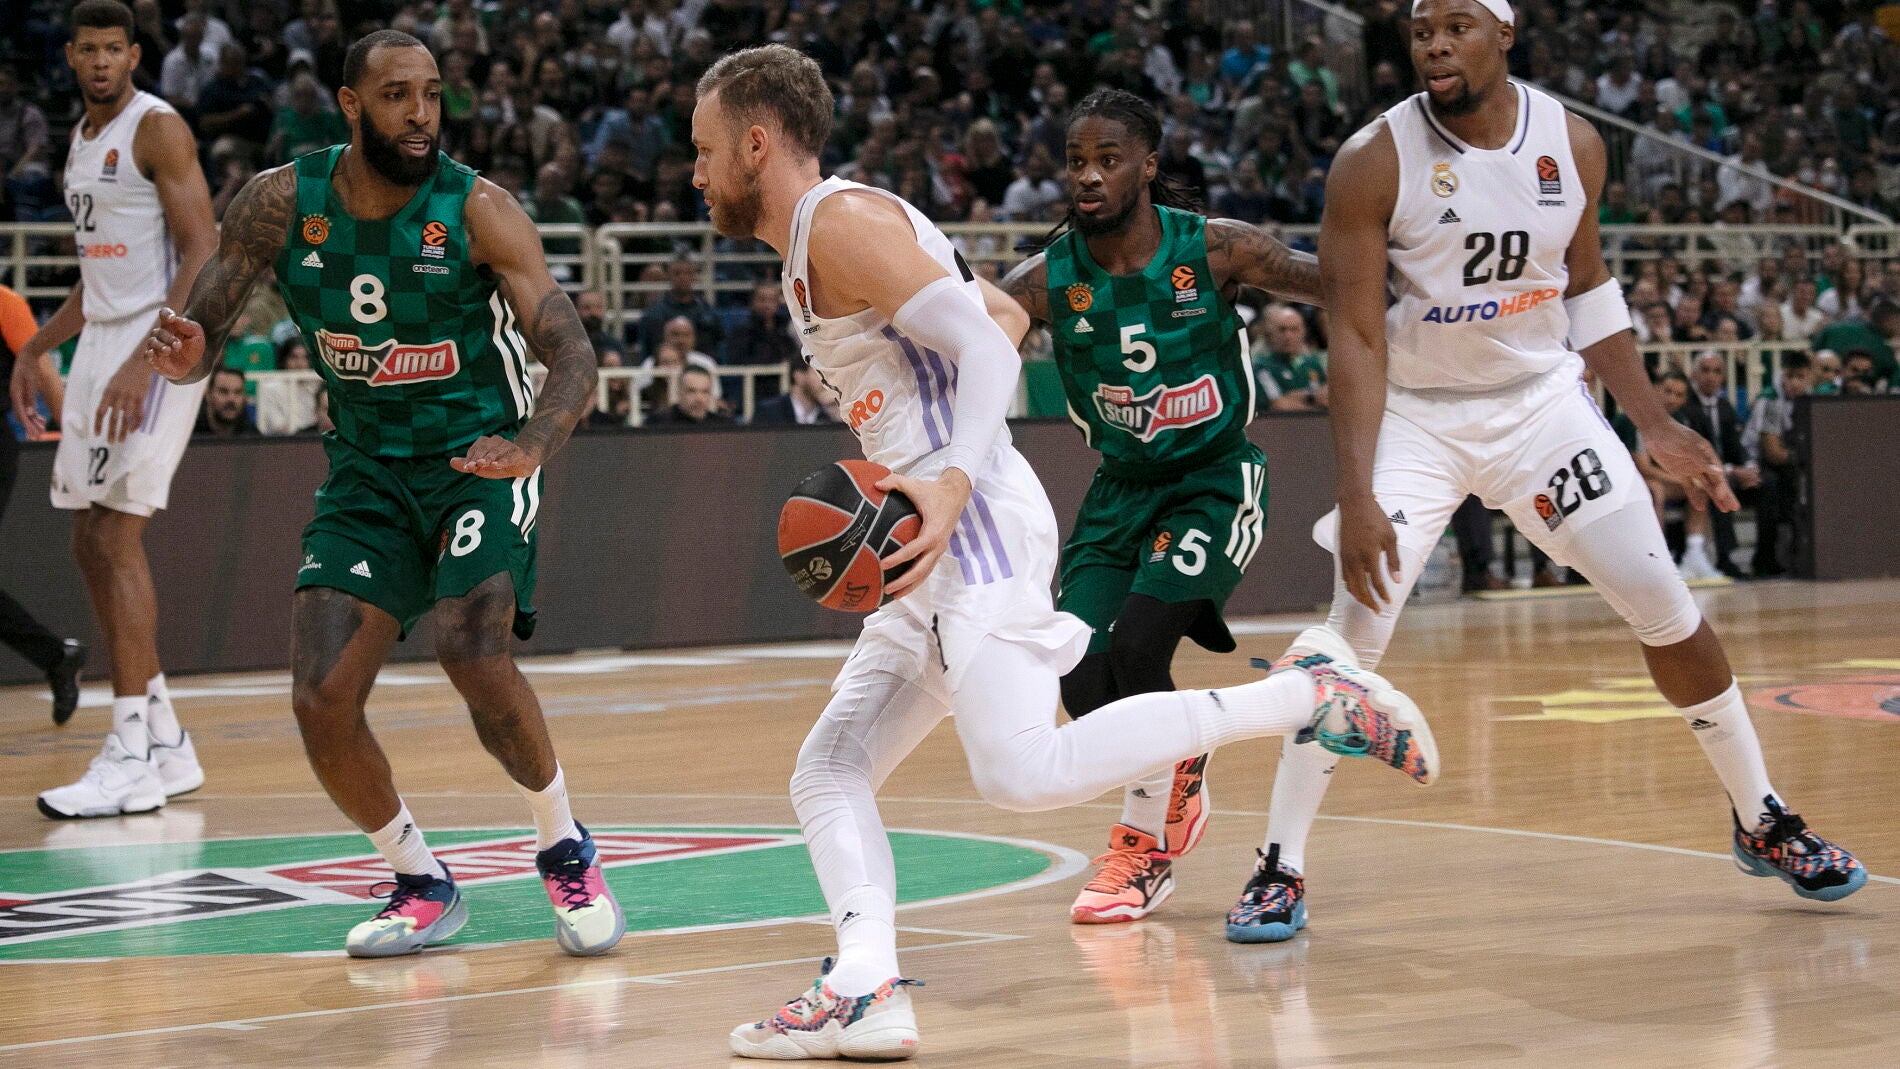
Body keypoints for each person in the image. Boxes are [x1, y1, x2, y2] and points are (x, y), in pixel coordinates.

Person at [691, 45, 1436, 1062]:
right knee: (828, 768)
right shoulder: (826, 237)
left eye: (704, 150)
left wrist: (950, 477)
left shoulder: (840, 222)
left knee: (1018, 770)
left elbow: (985, 345)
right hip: (926, 533)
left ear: (755, 143)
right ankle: (864, 986)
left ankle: (1309, 694)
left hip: (964, 521)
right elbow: (998, 312)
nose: (694, 172)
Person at [1235, 0, 1863, 949]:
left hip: (1539, 409)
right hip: (1418, 418)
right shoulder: (1374, 159)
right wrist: (1357, 494)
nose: (1434, 44)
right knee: (1350, 638)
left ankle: (1762, 816)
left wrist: (1653, 421)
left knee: (1664, 603)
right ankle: (1278, 864)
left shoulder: (1572, 141)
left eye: (1456, 26)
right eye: (1421, 30)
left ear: (1504, 33)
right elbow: (1356, 335)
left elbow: (1589, 285)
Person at [140, 30, 622, 960]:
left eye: (432, 94)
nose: (421, 114)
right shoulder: (280, 201)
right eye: (398, 95)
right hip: (366, 470)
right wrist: (188, 352)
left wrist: (530, 445)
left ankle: (564, 844)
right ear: (352, 105)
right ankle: (418, 877)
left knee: (471, 645)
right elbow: (205, 326)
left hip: (478, 458)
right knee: (320, 696)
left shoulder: (479, 209)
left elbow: (572, 351)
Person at [995, 88, 1327, 926]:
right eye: (1076, 161)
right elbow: (964, 346)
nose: (1088, 176)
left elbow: (1338, 279)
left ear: (1147, 166)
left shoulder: (1214, 249)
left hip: (1213, 478)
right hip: (1120, 488)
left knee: (1142, 645)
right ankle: (1177, 768)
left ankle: (1144, 848)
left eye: (1107, 160)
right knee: (1077, 670)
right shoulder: (1042, 281)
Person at [9, 0, 215, 819]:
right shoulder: (80, 138)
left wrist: (145, 356)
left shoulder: (156, 128)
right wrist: (34, 346)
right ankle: (163, 737)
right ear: (68, 56)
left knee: (115, 535)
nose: (100, 61)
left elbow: (203, 248)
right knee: (87, 540)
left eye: (113, 48)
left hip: (156, 349)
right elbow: (99, 276)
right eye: (87, 49)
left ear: (133, 54)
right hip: (101, 341)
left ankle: (130, 750)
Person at [0, 282, 86, 723]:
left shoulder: (5, 303)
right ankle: (56, 656)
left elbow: (47, 376)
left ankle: (56, 656)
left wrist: (78, 450)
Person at [1744, 352, 1811, 577]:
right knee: (1771, 485)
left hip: (1791, 462)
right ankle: (1765, 558)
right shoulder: (1770, 399)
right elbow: (1773, 453)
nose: (1794, 383)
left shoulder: (1813, 398)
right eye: (1790, 376)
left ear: (1809, 377)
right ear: (1782, 375)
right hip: (1757, 461)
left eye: (1800, 377)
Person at [750, 354, 836, 425]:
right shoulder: (769, 412)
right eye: (820, 373)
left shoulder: (830, 413)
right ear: (799, 376)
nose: (827, 381)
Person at [642, 364, 732, 427]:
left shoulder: (723, 426)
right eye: (691, 391)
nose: (699, 399)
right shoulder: (657, 424)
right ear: (679, 392)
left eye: (705, 392)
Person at [193, 363, 257, 435]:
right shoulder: (188, 432)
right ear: (208, 394)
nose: (231, 399)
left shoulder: (252, 434)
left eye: (238, 392)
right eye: (223, 391)